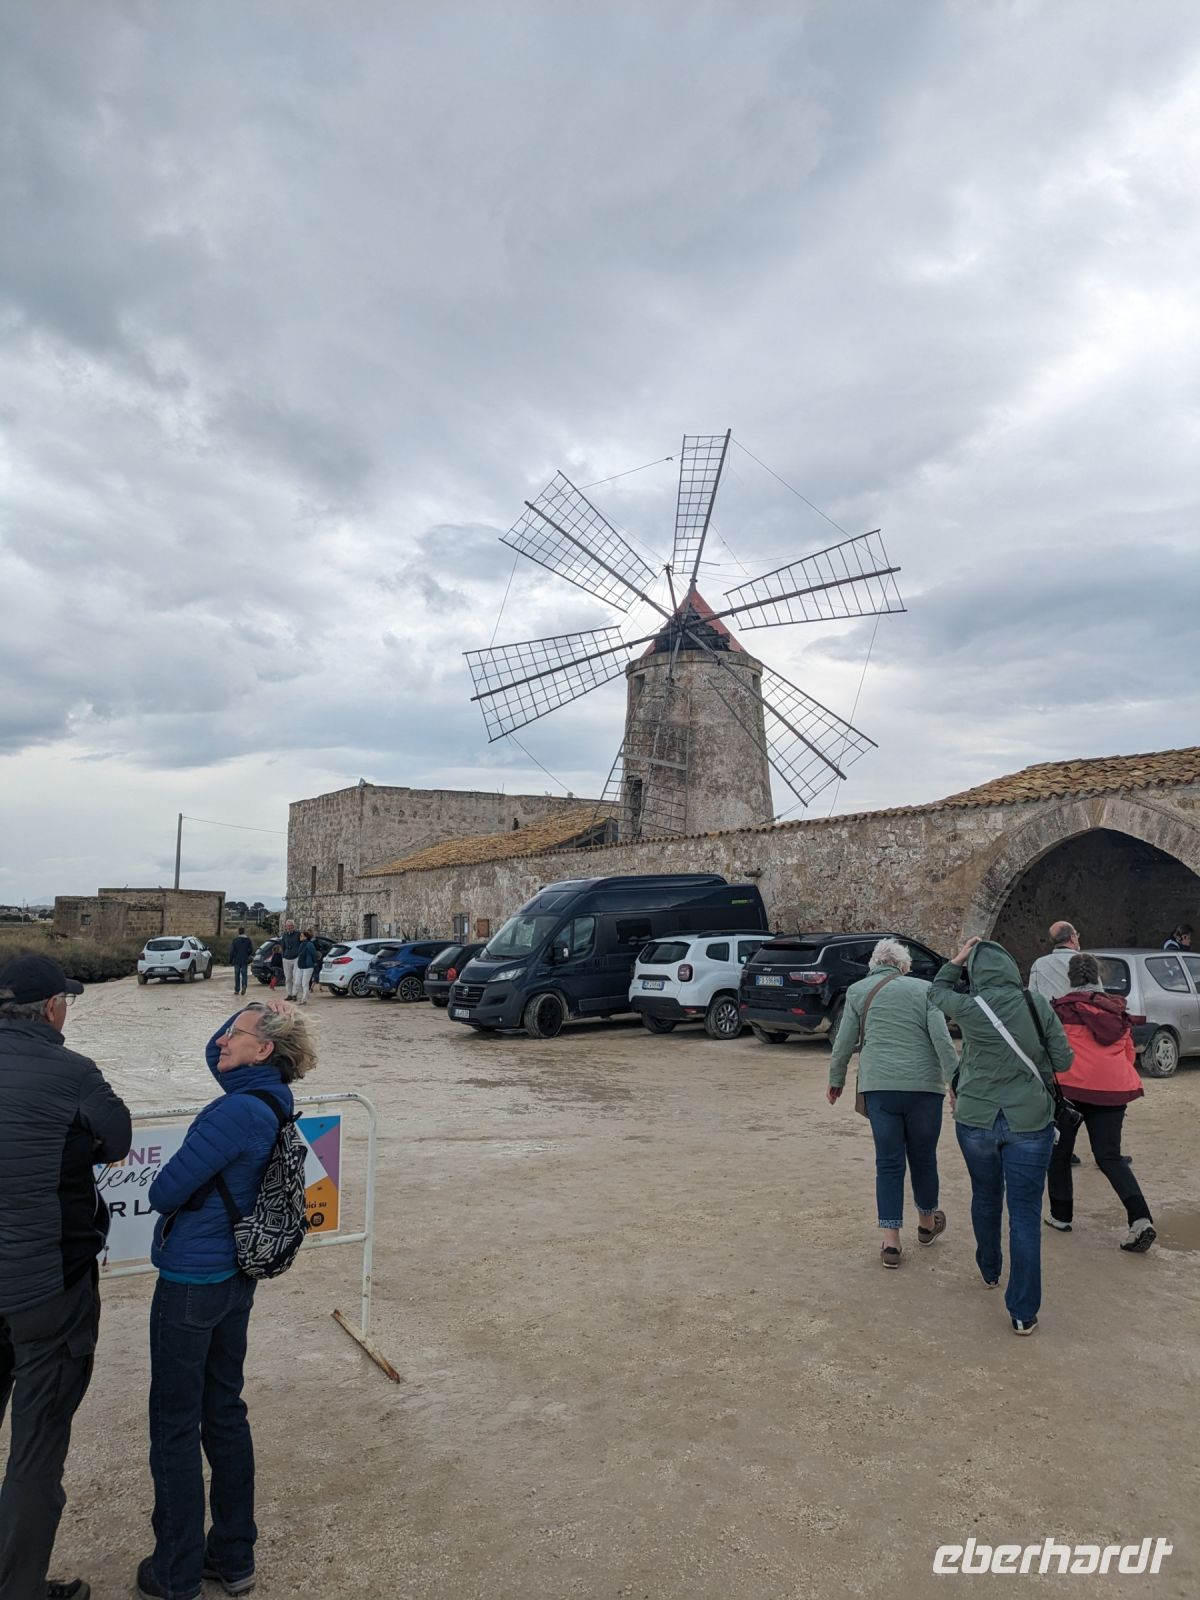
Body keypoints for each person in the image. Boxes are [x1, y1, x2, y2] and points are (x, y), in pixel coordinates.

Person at [138, 1000, 316, 1600]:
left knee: (174, 1426)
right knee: (224, 1411)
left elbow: (164, 1192)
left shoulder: (234, 1112)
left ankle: (176, 1573)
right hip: (236, 1279)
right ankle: (234, 1558)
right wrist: (251, 1011)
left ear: (262, 1050)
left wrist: (254, 1015)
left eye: (233, 1038)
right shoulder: (272, 1097)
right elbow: (216, 1052)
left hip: (193, 1280)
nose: (220, 1045)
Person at [0, 952, 133, 1600]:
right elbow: (118, 1140)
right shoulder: (72, 1072)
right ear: (53, 1010)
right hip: (47, 1291)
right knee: (35, 1451)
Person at [930, 936, 1073, 1337]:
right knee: (1025, 1214)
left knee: (985, 1194)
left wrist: (955, 959)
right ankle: (1023, 1311)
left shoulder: (970, 1006)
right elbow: (1063, 1059)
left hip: (976, 1117)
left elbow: (936, 993)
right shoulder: (1035, 1003)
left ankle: (989, 1268)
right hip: (1029, 1121)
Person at [826, 938, 958, 1267]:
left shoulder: (858, 992)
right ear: (903, 967)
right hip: (924, 1088)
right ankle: (927, 1224)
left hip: (880, 1086)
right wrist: (956, 1082)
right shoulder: (924, 990)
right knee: (924, 1157)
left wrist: (836, 1079)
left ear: (874, 964)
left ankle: (891, 1243)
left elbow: (844, 1040)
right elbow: (942, 1038)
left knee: (888, 1162)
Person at [1046, 953, 1155, 1251]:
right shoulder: (1116, 1011)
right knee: (1109, 1157)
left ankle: (1061, 1215)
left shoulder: (1060, 1010)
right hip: (1112, 1091)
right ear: (1098, 977)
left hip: (1070, 1089)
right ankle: (1140, 1218)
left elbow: (1052, 1050)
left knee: (1059, 1155)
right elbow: (1129, 1054)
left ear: (1070, 977)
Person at [1028, 920, 1081, 1000]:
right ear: (1072, 938)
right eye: (1076, 934)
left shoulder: (1038, 964)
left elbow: (1032, 996)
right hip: (1078, 1011)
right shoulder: (1086, 962)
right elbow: (1097, 996)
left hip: (1047, 1011)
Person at [279, 920, 301, 1000]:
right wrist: (283, 956)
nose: (288, 927)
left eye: (290, 925)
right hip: (286, 958)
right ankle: (289, 994)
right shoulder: (284, 935)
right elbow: (282, 946)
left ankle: (295, 994)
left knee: (295, 977)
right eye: (287, 925)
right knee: (288, 978)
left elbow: (301, 944)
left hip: (296, 958)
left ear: (293, 926)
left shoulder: (298, 934)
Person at [229, 927, 254, 997]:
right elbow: (251, 950)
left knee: (237, 975)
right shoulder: (248, 940)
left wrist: (230, 960)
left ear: (238, 932)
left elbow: (232, 951)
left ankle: (237, 990)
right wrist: (247, 954)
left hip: (236, 960)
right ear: (244, 932)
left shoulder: (235, 940)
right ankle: (244, 986)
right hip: (244, 960)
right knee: (244, 974)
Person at [294, 930, 318, 1005]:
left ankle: (304, 999)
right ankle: (299, 995)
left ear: (306, 937)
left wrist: (314, 962)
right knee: (297, 982)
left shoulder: (309, 944)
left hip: (308, 966)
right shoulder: (301, 944)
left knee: (305, 983)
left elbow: (314, 954)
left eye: (301, 936)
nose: (300, 937)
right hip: (300, 965)